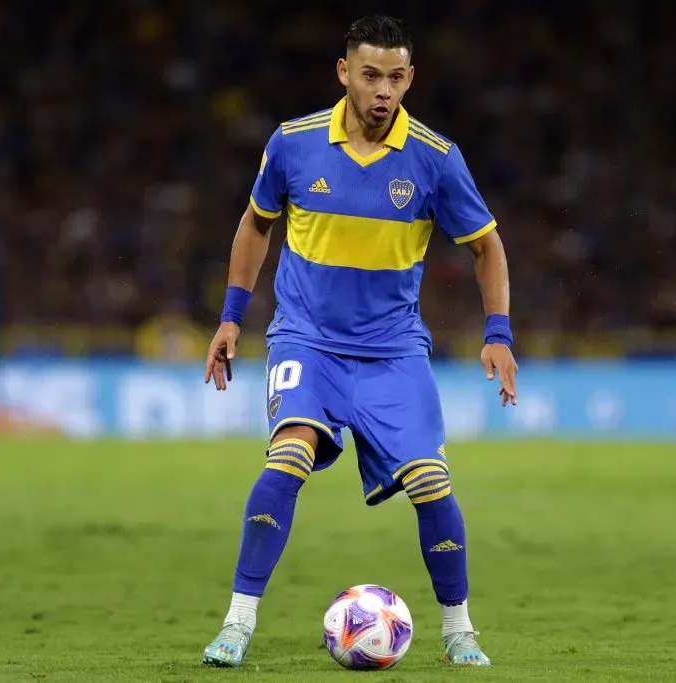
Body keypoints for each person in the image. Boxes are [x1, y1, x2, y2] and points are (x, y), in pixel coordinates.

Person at [201, 15, 518, 668]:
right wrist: (232, 316)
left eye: (395, 77)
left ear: (410, 79)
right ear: (344, 72)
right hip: (306, 340)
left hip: (394, 349)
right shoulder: (293, 144)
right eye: (370, 74)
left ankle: (460, 630)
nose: (382, 90)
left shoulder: (434, 157)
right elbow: (256, 225)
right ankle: (236, 622)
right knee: (285, 459)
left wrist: (498, 332)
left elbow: (487, 245)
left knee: (432, 483)